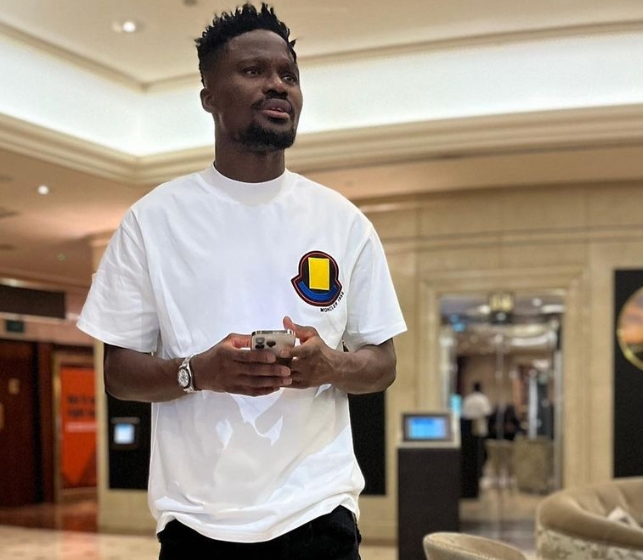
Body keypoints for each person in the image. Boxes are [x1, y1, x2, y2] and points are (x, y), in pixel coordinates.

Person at [77, 4, 407, 559]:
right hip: (197, 523)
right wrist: (199, 372)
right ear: (208, 95)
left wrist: (330, 365)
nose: (277, 85)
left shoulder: (343, 222)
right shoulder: (153, 222)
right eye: (254, 71)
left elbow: (383, 362)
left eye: (288, 75)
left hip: (318, 514)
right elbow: (119, 373)